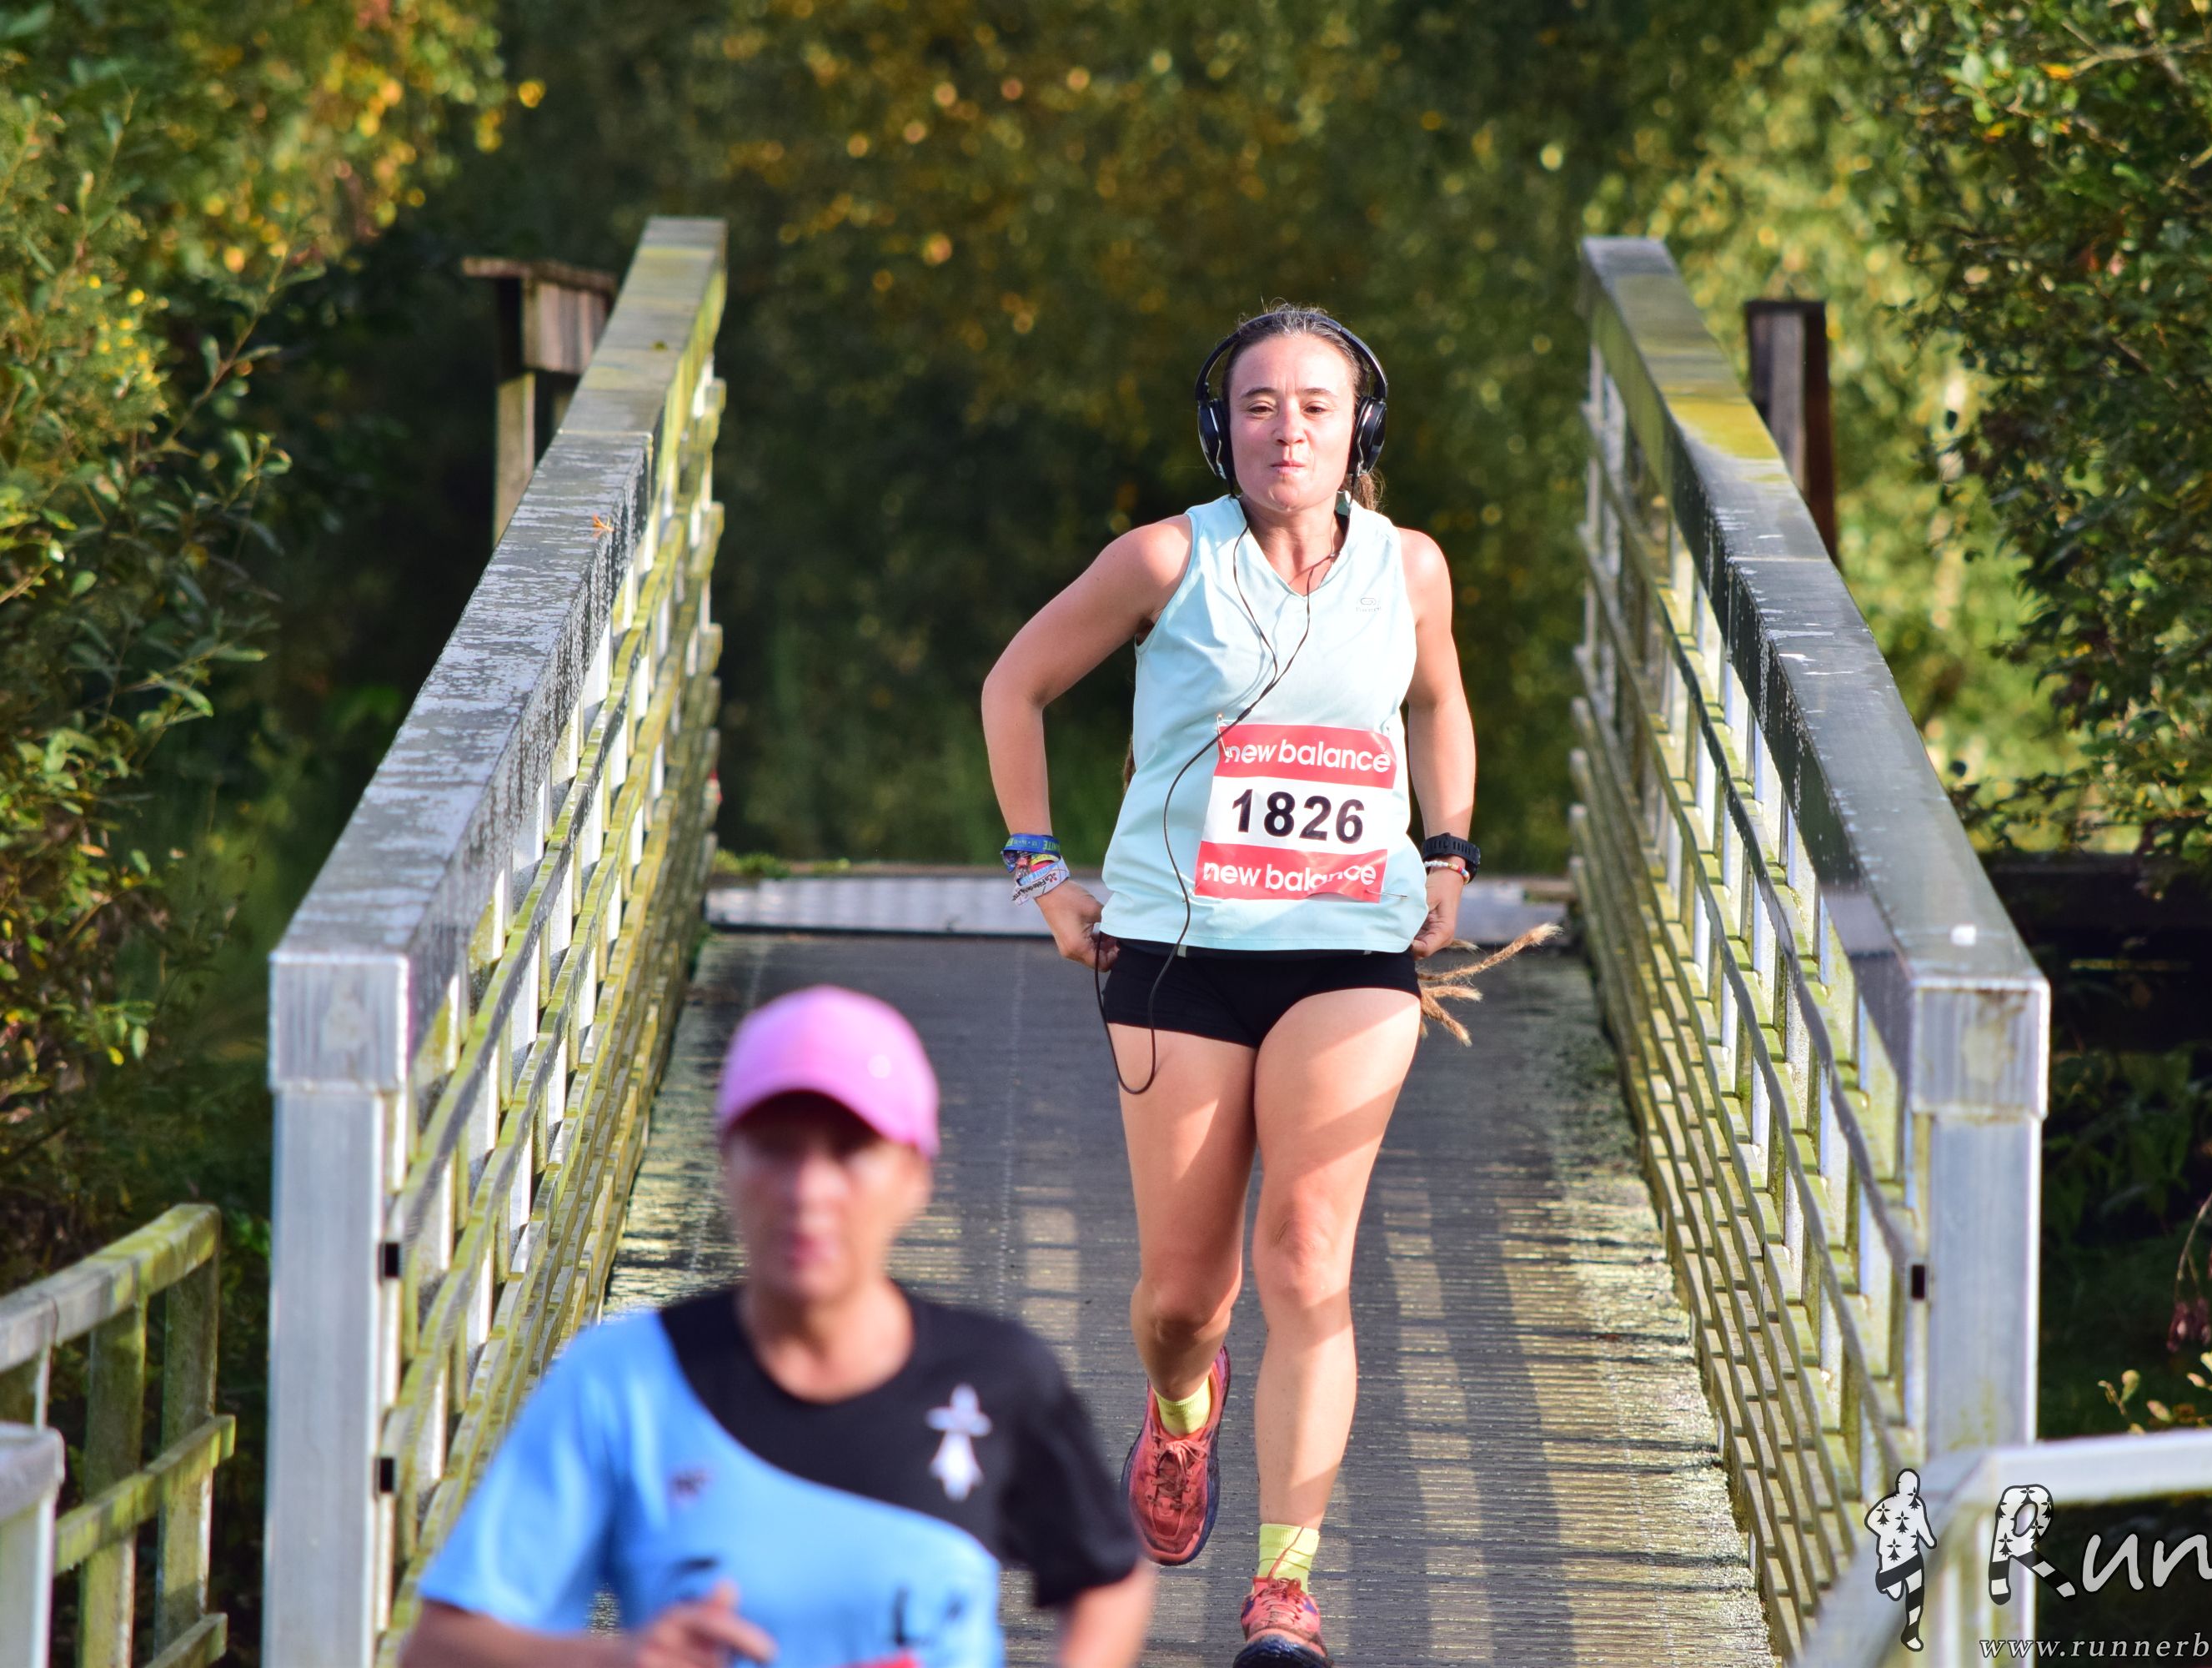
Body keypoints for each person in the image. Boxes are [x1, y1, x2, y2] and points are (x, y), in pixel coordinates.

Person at [981, 305, 1478, 1668]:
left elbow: (1438, 700)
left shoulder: (1410, 567)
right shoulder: (1162, 559)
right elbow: (1016, 686)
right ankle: (1181, 1407)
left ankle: (1284, 1593)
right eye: (1258, 405)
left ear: (1360, 428)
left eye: (1316, 405)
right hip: (1179, 955)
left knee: (1307, 1257)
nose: (1287, 430)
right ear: (1222, 428)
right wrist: (1043, 873)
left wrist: (1447, 852)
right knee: (1182, 1303)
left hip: (1350, 951)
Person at [402, 984, 1155, 1668]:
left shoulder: (997, 1379)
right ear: (724, 1161)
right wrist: (620, 1662)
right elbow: (439, 1649)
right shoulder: (619, 1381)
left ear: (916, 1176)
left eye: (851, 1151)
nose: (808, 1190)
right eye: (774, 1148)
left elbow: (1109, 1577)